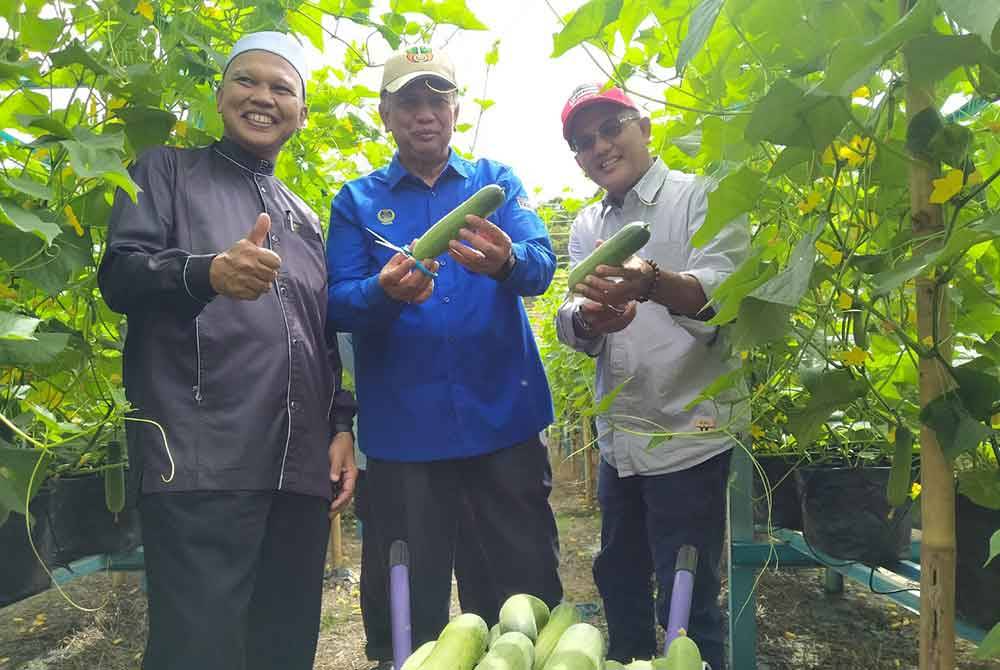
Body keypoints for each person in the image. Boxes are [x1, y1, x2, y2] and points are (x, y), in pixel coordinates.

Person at [98, 31, 357, 670]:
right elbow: (120, 275)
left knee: (284, 644)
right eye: (247, 81)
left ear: (300, 112)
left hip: (297, 468)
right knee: (200, 647)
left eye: (282, 88)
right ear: (220, 95)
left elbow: (321, 333)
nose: (262, 97)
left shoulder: (303, 214)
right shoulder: (165, 170)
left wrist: (342, 423)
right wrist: (206, 272)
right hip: (199, 458)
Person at [326, 45, 562, 669]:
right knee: (409, 598)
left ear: (456, 108)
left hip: (502, 421)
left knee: (519, 589)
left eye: (437, 99)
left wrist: (508, 261)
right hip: (406, 434)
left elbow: (541, 267)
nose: (424, 114)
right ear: (386, 113)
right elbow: (339, 302)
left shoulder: (496, 183)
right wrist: (384, 292)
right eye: (408, 101)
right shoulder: (355, 200)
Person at [555, 83, 750, 670]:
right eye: (583, 141)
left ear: (643, 126)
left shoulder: (701, 197)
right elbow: (571, 318)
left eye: (610, 128)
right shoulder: (587, 222)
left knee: (689, 598)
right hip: (621, 442)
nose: (599, 147)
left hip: (689, 434)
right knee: (620, 582)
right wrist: (589, 318)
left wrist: (652, 283)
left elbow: (726, 297)